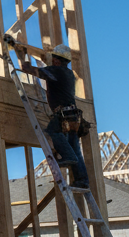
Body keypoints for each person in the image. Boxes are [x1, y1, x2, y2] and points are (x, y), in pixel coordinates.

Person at [18, 42, 90, 189]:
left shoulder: (56, 71)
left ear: (57, 60)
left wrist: (23, 55)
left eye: (53, 59)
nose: (52, 61)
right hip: (73, 117)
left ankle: (68, 157)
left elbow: (27, 69)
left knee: (52, 131)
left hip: (64, 115)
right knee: (75, 148)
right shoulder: (69, 74)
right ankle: (82, 180)